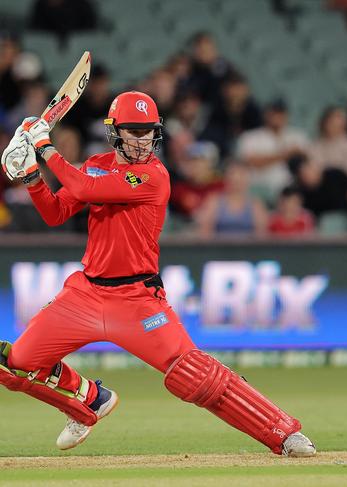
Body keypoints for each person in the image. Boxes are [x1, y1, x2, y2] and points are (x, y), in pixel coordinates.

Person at [0, 91, 316, 457]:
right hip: (84, 295)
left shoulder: (153, 176)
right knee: (16, 365)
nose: (142, 140)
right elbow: (56, 213)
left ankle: (283, 433)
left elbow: (85, 188)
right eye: (133, 131)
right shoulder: (96, 164)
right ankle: (89, 400)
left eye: (147, 131)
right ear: (115, 132)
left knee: (195, 374)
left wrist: (44, 145)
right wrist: (31, 178)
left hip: (138, 302)